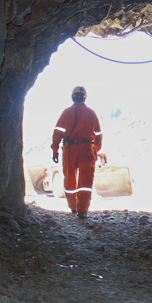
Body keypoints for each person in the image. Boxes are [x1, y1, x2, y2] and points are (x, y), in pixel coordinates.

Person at [51, 86, 103, 219]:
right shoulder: (91, 113)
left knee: (69, 178)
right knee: (86, 180)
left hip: (69, 149)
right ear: (85, 97)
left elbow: (58, 132)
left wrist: (55, 150)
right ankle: (82, 210)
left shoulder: (66, 112)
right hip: (86, 148)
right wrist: (95, 149)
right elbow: (98, 134)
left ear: (72, 97)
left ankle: (73, 207)